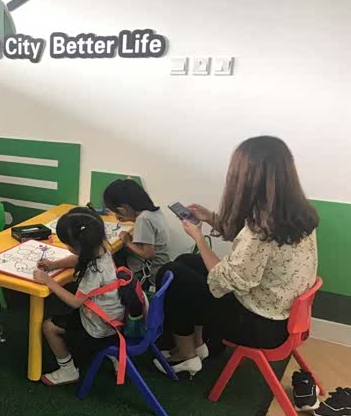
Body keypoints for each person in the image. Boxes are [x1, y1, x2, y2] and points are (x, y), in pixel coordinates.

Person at [154, 136, 318, 377]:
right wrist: (211, 217)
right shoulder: (298, 216)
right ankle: (198, 346)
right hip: (280, 316)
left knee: (173, 273)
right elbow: (250, 249)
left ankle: (186, 356)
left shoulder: (261, 230)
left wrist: (199, 238)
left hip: (259, 327)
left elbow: (223, 279)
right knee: (186, 263)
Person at [33, 207, 128, 386]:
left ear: (79, 247)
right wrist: (54, 264)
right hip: (115, 316)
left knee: (49, 326)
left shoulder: (94, 272)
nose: (67, 248)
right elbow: (78, 259)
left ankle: (68, 370)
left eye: (68, 244)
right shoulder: (102, 248)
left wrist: (49, 281)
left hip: (100, 326)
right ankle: (109, 348)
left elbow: (75, 302)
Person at [103, 179, 170, 289]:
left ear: (122, 210)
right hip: (162, 267)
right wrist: (129, 218)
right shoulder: (152, 212)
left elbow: (149, 254)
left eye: (117, 212)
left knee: (110, 259)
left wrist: (128, 242)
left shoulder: (143, 219)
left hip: (148, 274)